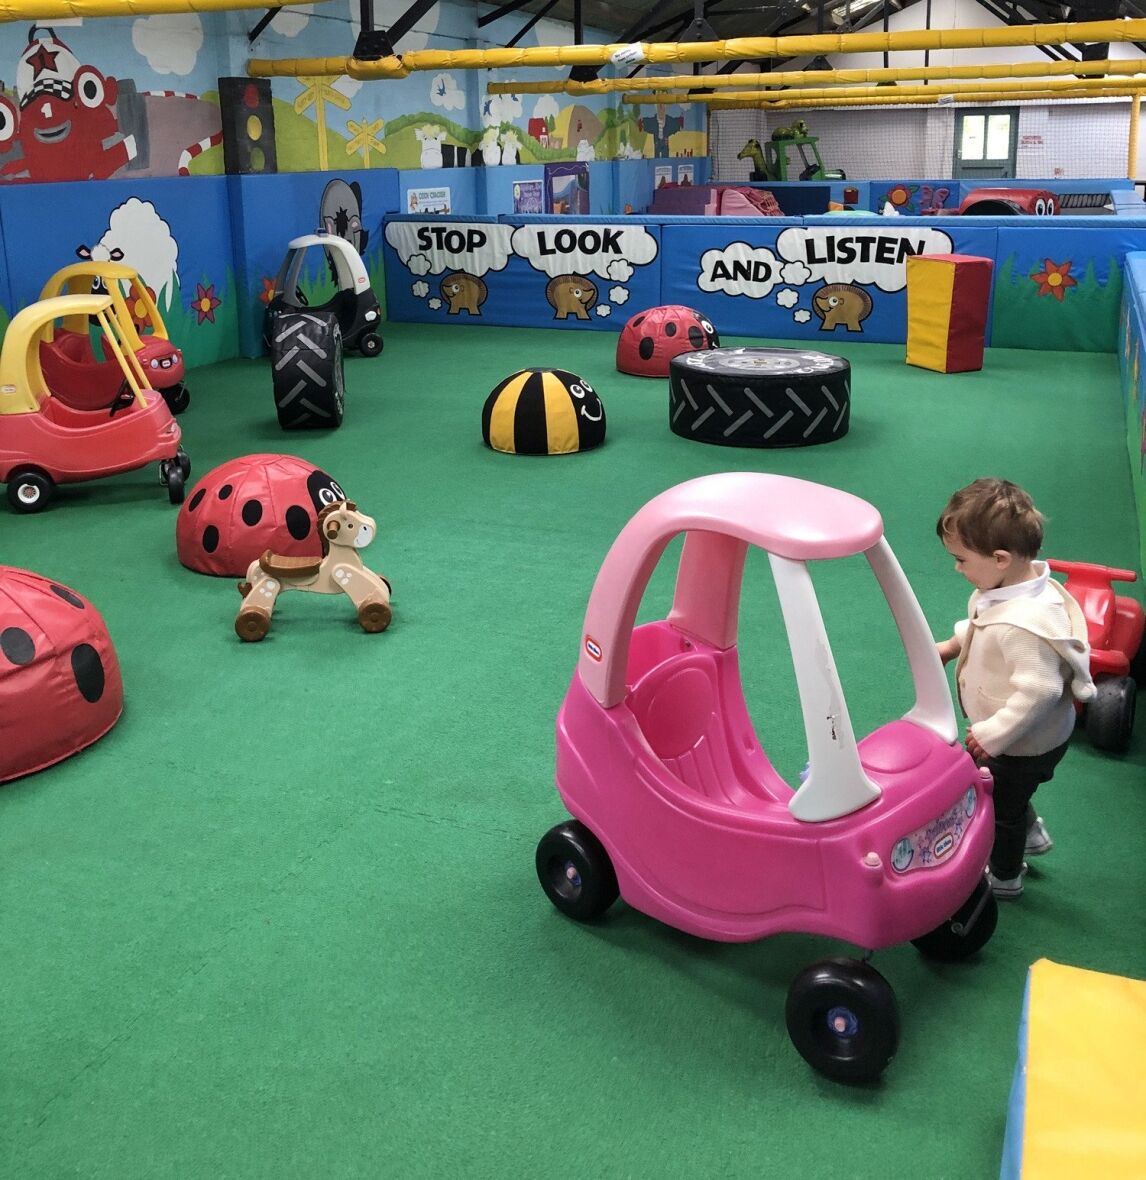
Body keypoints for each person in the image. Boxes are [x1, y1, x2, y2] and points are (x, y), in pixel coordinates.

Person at [935, 478, 1095, 899]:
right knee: (1009, 794)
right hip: (1022, 738)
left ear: (1000, 559)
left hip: (1022, 744)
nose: (957, 569)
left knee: (998, 807)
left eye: (961, 559)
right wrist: (952, 645)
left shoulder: (1024, 626)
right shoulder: (1010, 588)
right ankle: (1032, 836)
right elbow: (983, 621)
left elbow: (1040, 691)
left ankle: (1005, 876)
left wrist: (993, 734)